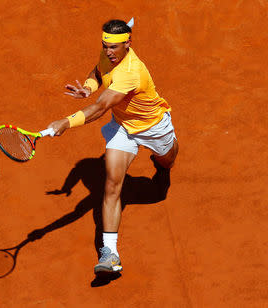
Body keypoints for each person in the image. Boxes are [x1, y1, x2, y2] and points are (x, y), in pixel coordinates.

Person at [47, 19, 178, 274]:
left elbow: (99, 109)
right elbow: (97, 72)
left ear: (128, 44)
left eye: (114, 48)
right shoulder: (109, 55)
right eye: (105, 46)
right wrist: (88, 88)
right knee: (111, 184)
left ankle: (164, 163)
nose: (109, 52)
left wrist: (66, 122)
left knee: (167, 161)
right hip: (122, 128)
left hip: (152, 127)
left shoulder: (131, 71)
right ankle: (110, 254)